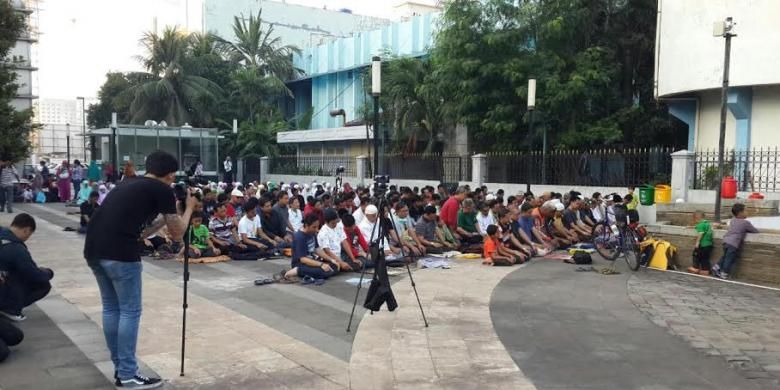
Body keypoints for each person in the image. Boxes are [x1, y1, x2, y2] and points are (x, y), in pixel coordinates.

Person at [84, 150, 196, 388]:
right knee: (129, 312)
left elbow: (141, 231)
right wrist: (188, 208)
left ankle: (121, 369)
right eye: (172, 177)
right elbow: (178, 233)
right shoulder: (162, 189)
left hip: (95, 249)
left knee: (112, 309)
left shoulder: (130, 184)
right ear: (169, 175)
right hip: (122, 255)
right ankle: (127, 374)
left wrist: (168, 215)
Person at [0, 214, 53, 322]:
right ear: (26, 230)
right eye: (29, 234)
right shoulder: (16, 249)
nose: (27, 238)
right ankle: (10, 309)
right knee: (43, 284)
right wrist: (48, 272)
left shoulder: (3, 234)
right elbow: (34, 275)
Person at [278, 214, 337, 283]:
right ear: (306, 225)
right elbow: (303, 259)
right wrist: (321, 264)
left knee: (334, 266)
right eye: (314, 227)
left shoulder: (312, 233)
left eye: (317, 227)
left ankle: (310, 271)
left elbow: (317, 249)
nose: (316, 229)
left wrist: (331, 260)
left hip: (312, 261)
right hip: (301, 264)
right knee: (324, 272)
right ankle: (297, 270)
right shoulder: (299, 237)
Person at [712, 203, 759, 280]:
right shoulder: (745, 223)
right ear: (740, 213)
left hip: (726, 241)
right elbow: (755, 231)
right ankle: (724, 273)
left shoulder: (732, 220)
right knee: (729, 259)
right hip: (733, 243)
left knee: (725, 256)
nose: (747, 212)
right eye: (746, 210)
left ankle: (716, 267)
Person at [688, 210, 714, 276]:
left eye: (694, 220)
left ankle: (695, 268)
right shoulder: (706, 223)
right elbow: (702, 228)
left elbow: (701, 233)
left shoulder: (700, 225)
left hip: (702, 245)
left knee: (695, 255)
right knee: (705, 258)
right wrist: (692, 227)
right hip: (709, 245)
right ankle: (705, 270)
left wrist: (697, 242)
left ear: (696, 218)